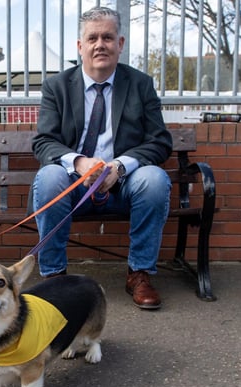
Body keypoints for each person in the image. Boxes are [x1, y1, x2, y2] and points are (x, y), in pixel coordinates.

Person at [31, 6, 173, 310]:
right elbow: (44, 141)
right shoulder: (56, 87)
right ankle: (54, 277)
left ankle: (139, 273)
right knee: (48, 176)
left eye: (107, 37)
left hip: (124, 186)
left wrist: (120, 167)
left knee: (155, 179)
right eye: (92, 38)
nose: (100, 44)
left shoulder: (140, 85)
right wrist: (79, 162)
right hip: (74, 186)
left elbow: (160, 142)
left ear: (119, 44)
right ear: (80, 46)